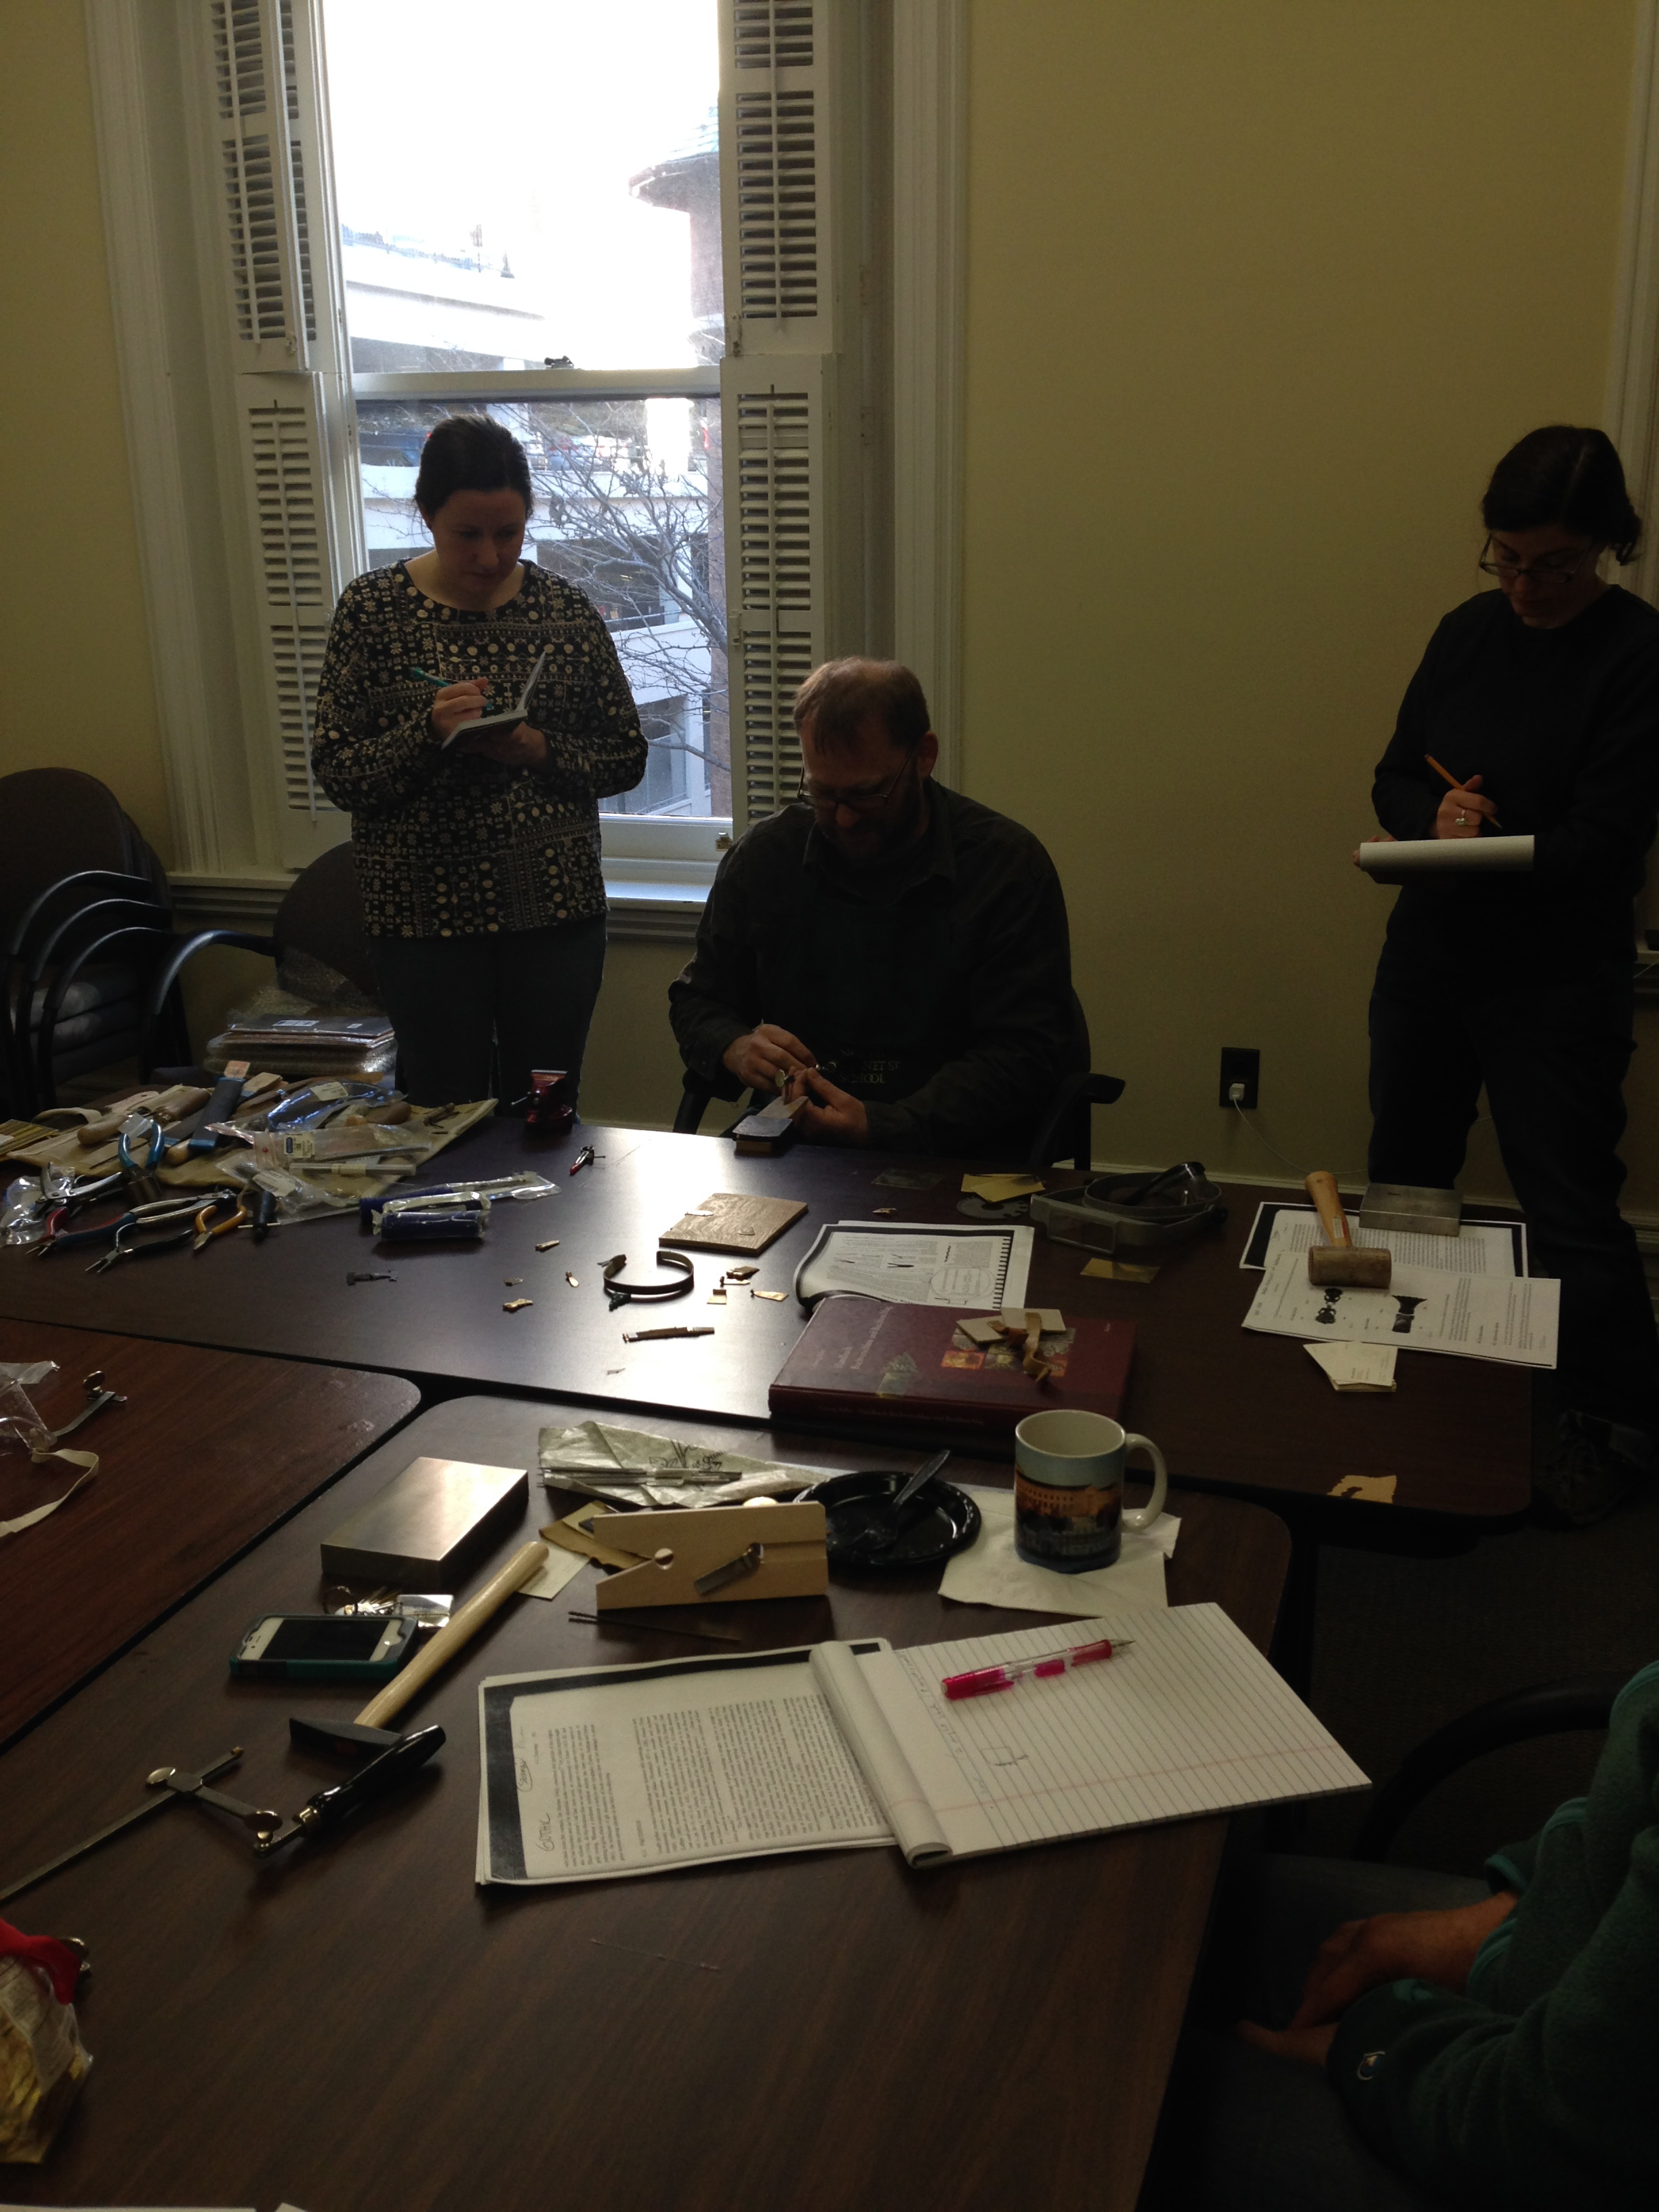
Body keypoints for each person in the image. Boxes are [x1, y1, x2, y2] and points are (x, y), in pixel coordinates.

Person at [1361, 426, 1659, 1525]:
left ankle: (1615, 1424)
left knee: (1568, 1202)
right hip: (1431, 955)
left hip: (1557, 973)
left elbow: (1609, 839)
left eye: (1554, 566)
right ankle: (1405, 1378)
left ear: (1604, 547)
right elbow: (1396, 774)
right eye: (1507, 560)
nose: (1526, 587)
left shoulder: (1637, 654)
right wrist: (1429, 816)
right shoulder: (1465, 630)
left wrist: (1491, 847)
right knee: (1405, 1175)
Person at [1152, 1656, 1659, 2211]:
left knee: (1135, 2096)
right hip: (1583, 1991)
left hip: (1549, 2144)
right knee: (1182, 1919)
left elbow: (1549, 2133)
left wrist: (1372, 2040)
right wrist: (1501, 1917)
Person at [311, 415, 647, 1107]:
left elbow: (625, 757)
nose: (490, 556)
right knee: (442, 1115)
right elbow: (340, 770)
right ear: (426, 514)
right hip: (422, 919)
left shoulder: (565, 611)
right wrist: (427, 734)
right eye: (467, 534)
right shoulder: (373, 611)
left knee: (546, 1113)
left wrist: (539, 749)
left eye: (509, 533)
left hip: (555, 913)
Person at [668, 657, 1085, 1155]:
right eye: (823, 794)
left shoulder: (1005, 867)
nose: (844, 819)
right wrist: (734, 1047)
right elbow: (700, 1001)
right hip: (797, 1144)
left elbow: (1025, 1053)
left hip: (956, 1151)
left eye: (867, 795)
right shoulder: (765, 858)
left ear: (924, 757)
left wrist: (885, 1126)